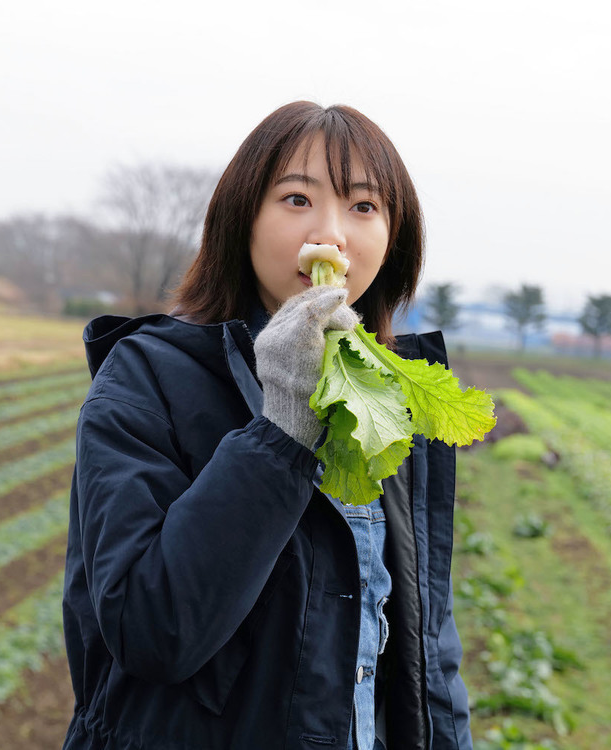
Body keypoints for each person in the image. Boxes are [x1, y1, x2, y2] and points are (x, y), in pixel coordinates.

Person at [61, 101, 472, 750]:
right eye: (295, 199)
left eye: (363, 207)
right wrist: (280, 426)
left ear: (394, 239)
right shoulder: (146, 378)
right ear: (241, 220)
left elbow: (426, 653)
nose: (329, 235)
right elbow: (153, 631)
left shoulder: (386, 398)